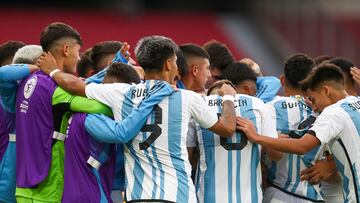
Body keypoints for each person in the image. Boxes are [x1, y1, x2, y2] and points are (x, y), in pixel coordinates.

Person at [38, 35, 237, 202]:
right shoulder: (186, 98)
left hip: (139, 195)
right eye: (176, 62)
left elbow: (73, 85)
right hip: (178, 194)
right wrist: (228, 96)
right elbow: (227, 128)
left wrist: (52, 70)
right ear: (169, 64)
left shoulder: (121, 93)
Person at [237, 64, 360, 202]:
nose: (313, 108)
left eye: (313, 99)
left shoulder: (333, 113)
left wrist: (257, 137)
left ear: (326, 90)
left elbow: (302, 146)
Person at [62, 62, 175, 202]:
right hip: (88, 195)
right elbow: (122, 133)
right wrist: (152, 98)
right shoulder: (88, 118)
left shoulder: (99, 114)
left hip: (100, 191)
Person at [187, 79, 280, 203]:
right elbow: (276, 155)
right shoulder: (259, 105)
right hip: (250, 197)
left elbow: (186, 157)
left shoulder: (199, 104)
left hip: (208, 196)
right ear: (234, 92)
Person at [263, 53, 325, 202]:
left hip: (276, 193)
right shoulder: (325, 110)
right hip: (312, 195)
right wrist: (330, 165)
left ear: (282, 80)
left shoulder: (267, 108)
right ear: (312, 82)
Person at [0, 45, 42, 203]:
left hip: (37, 181)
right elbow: (3, 73)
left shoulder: (47, 91)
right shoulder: (12, 97)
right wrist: (41, 69)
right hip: (10, 181)